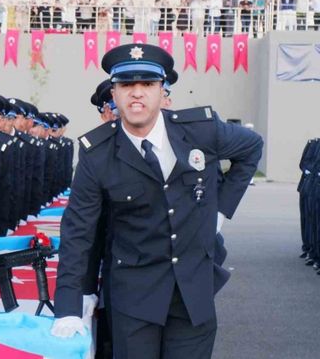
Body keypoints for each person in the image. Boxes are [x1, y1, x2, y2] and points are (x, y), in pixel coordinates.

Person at [51, 43, 263, 359]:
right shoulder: (97, 155)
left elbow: (251, 148)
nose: (137, 93)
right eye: (126, 85)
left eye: (148, 84)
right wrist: (68, 306)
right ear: (114, 93)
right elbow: (78, 232)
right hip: (134, 296)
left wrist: (220, 212)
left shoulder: (200, 131)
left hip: (194, 293)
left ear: (162, 89)